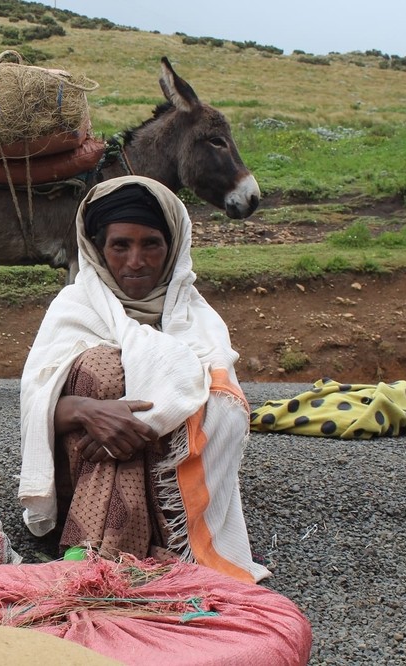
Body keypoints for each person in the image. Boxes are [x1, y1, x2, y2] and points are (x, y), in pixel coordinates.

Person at [18, 175, 270, 584]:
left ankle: (90, 558)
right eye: (121, 245)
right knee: (101, 369)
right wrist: (88, 411)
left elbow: (227, 413)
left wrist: (148, 419)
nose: (135, 261)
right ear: (98, 249)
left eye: (151, 244)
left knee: (163, 395)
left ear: (173, 249)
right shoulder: (74, 307)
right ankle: (111, 553)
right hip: (78, 476)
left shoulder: (196, 318)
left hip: (168, 495)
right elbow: (35, 408)